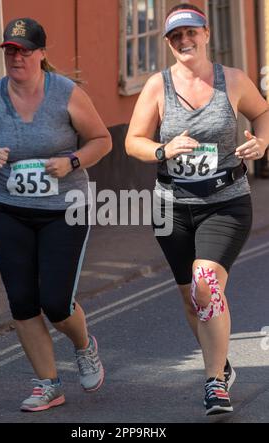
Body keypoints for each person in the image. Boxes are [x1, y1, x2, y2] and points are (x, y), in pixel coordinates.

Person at [125, 4, 269, 416]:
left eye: (191, 33)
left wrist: (262, 142)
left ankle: (213, 384)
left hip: (225, 201)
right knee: (192, 298)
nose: (185, 41)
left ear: (205, 34)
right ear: (169, 43)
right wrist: (161, 149)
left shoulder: (234, 81)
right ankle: (220, 362)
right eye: (176, 36)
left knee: (205, 282)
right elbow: (132, 139)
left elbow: (263, 113)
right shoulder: (158, 87)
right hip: (172, 206)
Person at [0, 18, 112, 412]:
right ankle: (48, 383)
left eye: (25, 50)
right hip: (11, 212)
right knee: (21, 301)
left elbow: (102, 140)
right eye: (10, 51)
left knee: (55, 301)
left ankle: (84, 345)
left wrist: (72, 160)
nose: (17, 57)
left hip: (64, 211)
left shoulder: (66, 93)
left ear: (41, 54)